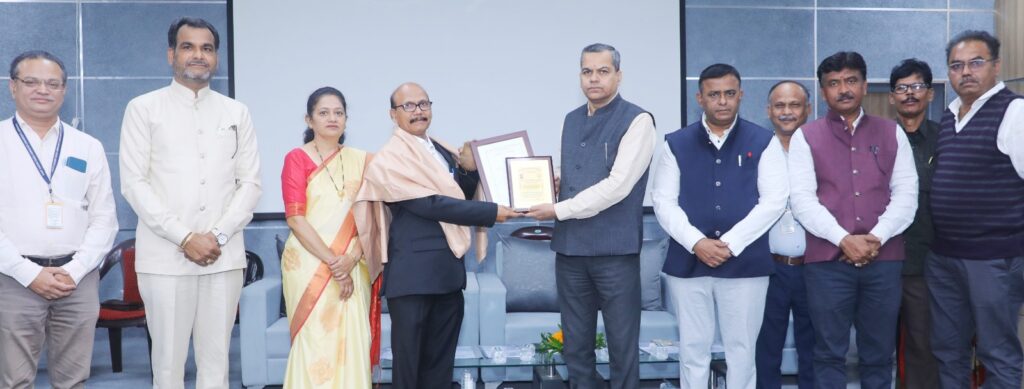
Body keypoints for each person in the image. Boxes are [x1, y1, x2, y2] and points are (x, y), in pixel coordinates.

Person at [119, 17, 261, 388]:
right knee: (167, 366)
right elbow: (134, 184)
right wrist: (185, 237)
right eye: (188, 46)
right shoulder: (143, 109)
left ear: (216, 58)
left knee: (217, 366)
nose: (198, 55)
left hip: (223, 256)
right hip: (166, 259)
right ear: (171, 55)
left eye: (207, 48)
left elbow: (249, 184)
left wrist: (216, 235)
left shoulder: (236, 112)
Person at [353, 82, 518, 388]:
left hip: (447, 275)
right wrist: (491, 212)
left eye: (424, 104)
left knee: (440, 370)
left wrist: (469, 171)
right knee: (410, 371)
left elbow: (457, 195)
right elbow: (429, 205)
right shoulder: (390, 159)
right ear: (393, 115)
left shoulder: (441, 149)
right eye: (409, 106)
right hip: (413, 278)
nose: (418, 112)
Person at [523, 43, 656, 389]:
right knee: (576, 349)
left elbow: (618, 186)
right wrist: (554, 184)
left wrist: (558, 209)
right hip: (570, 250)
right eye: (587, 71)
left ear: (618, 75)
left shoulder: (638, 120)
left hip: (614, 253)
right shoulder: (572, 118)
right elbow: (578, 174)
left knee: (622, 349)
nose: (593, 78)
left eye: (602, 71)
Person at [653, 64, 788, 389]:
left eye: (730, 93)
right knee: (693, 349)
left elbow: (774, 201)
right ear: (700, 97)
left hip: (745, 264)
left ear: (740, 95)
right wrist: (697, 242)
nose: (723, 101)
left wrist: (730, 243)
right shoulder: (676, 143)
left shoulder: (763, 140)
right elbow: (663, 201)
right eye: (714, 94)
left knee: (742, 350)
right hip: (688, 263)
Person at [788, 51, 917, 389]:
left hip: (884, 261)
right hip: (827, 265)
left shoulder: (892, 133)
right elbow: (802, 200)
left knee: (879, 354)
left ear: (863, 84)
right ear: (822, 91)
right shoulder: (806, 137)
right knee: (829, 353)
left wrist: (873, 239)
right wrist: (844, 240)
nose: (842, 89)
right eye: (833, 83)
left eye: (850, 81)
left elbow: (906, 195)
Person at [0, 50, 118, 389]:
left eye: (53, 83)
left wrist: (75, 270)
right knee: (14, 380)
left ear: (64, 91)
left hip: (76, 281)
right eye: (32, 82)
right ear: (13, 87)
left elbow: (105, 218)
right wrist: (29, 273)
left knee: (72, 380)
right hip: (13, 277)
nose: (43, 90)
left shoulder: (87, 146)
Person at [928, 30, 1024, 389]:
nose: (965, 72)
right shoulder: (950, 117)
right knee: (947, 351)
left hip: (993, 261)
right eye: (956, 65)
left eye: (976, 63)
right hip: (945, 258)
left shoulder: (1015, 112)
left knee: (997, 353)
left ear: (996, 67)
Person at [280, 87, 375, 388]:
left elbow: (371, 219)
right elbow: (296, 218)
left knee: (352, 340)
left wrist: (352, 257)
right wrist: (335, 263)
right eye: (323, 113)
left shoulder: (364, 161)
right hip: (309, 264)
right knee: (314, 341)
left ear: (347, 119)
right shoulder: (296, 159)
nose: (332, 118)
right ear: (309, 120)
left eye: (338, 112)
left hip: (353, 259)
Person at [754, 80, 815, 389]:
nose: (787, 112)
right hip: (769, 267)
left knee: (814, 348)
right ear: (769, 111)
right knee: (765, 349)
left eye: (794, 105)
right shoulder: (758, 150)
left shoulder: (820, 148)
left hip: (815, 265)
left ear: (808, 109)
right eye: (780, 105)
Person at [887, 58, 940, 389]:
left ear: (930, 94)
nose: (910, 94)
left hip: (926, 263)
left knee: (924, 347)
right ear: (891, 96)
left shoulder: (947, 138)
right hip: (878, 261)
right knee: (874, 348)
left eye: (917, 86)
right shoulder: (876, 138)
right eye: (902, 88)